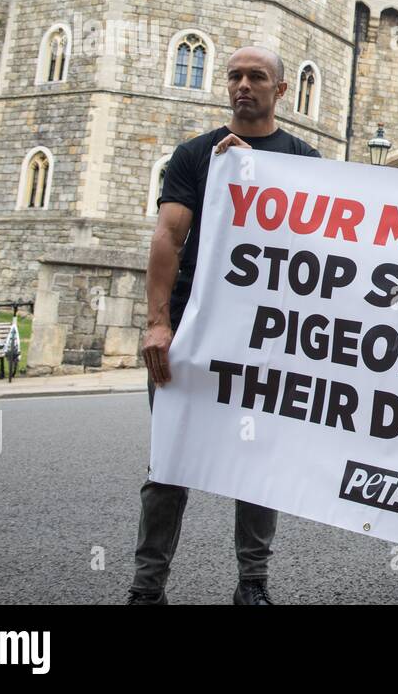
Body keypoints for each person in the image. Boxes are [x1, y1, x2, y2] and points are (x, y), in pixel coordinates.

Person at [128, 46, 320, 605]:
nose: (242, 85)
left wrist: (256, 175)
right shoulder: (195, 156)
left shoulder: (303, 159)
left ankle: (252, 584)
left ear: (280, 90)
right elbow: (168, 237)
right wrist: (157, 324)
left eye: (256, 77)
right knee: (168, 463)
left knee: (255, 462)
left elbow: (319, 248)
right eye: (234, 75)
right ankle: (147, 590)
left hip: (264, 337)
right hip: (190, 331)